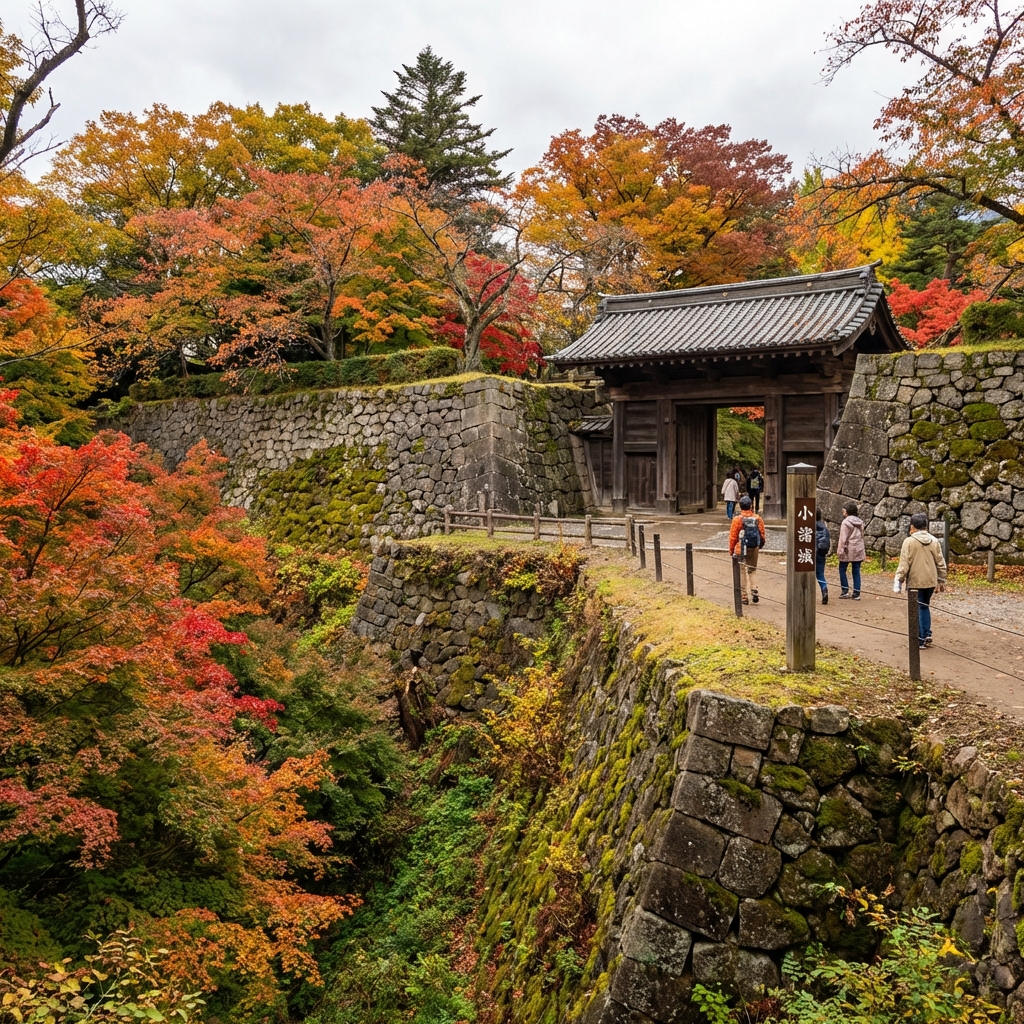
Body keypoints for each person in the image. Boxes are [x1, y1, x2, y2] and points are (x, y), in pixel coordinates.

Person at [895, 512, 947, 648]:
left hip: (915, 580)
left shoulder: (909, 542)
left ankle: (920, 638)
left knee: (916, 608)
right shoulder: (934, 541)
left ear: (912, 526)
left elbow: (904, 562)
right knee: (924, 606)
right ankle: (926, 632)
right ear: (926, 526)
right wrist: (941, 579)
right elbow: (940, 561)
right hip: (930, 580)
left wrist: (899, 579)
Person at [729, 494, 765, 605]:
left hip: (741, 547)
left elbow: (733, 537)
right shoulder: (758, 519)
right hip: (754, 547)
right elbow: (762, 534)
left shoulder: (737, 520)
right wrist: (760, 545)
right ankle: (754, 590)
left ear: (740, 506)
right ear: (751, 506)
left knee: (741, 570)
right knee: (752, 570)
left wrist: (731, 550)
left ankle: (744, 596)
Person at [837, 501, 866, 600]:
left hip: (848, 549)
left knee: (842, 569)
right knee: (856, 571)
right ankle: (856, 593)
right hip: (858, 548)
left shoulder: (845, 523)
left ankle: (845, 590)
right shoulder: (860, 522)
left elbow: (843, 538)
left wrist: (840, 551)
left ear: (847, 512)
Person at [815, 509, 831, 605]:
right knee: (820, 574)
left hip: (811, 553)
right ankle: (824, 590)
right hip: (821, 553)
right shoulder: (824, 528)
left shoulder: (807, 527)